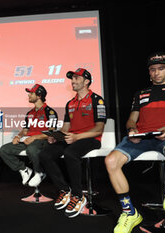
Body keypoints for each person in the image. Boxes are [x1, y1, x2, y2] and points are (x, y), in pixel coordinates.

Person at [105, 52, 165, 233]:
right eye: (153, 70)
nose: (156, 73)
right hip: (142, 138)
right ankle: (129, 213)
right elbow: (131, 120)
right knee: (111, 161)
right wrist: (131, 130)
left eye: (161, 69)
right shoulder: (140, 94)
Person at [40, 68, 106, 218]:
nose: (73, 81)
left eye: (77, 78)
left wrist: (77, 137)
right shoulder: (70, 103)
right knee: (45, 154)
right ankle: (64, 190)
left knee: (70, 153)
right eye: (72, 78)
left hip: (91, 139)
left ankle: (78, 195)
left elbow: (99, 128)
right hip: (72, 138)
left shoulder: (97, 100)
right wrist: (56, 136)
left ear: (87, 81)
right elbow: (66, 127)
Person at [0, 84, 58, 187]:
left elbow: (51, 133)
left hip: (42, 141)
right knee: (4, 149)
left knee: (31, 149)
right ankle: (24, 169)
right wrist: (18, 136)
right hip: (28, 141)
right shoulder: (30, 113)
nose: (29, 95)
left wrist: (34, 138)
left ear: (39, 96)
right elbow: (25, 130)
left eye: (31, 93)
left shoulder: (50, 112)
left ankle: (39, 172)